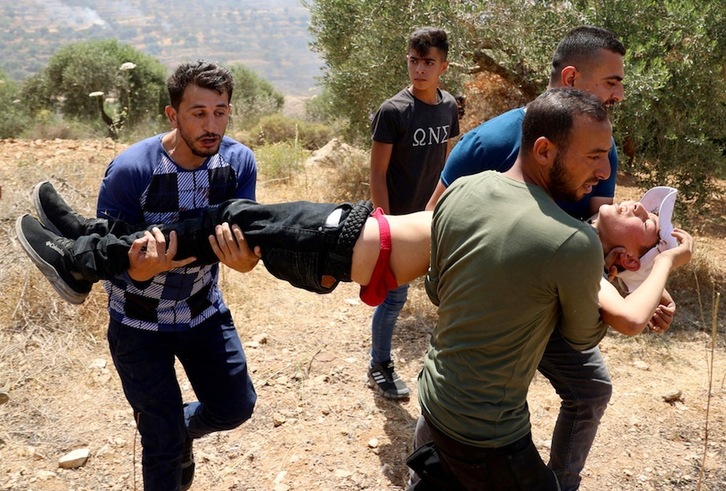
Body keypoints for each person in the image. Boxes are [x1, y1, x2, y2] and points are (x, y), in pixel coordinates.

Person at [405, 87, 691, 490]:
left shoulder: (462, 190)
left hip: (434, 399)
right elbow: (583, 335)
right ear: (544, 150)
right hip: (486, 435)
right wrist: (659, 262)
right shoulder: (571, 242)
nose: (606, 173)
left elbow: (437, 290)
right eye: (594, 156)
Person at [17, 183, 691, 341]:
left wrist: (665, 263)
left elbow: (627, 314)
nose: (635, 199)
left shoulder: (576, 252)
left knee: (234, 217)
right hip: (350, 239)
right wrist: (648, 263)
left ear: (628, 249)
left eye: (644, 217)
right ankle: (100, 239)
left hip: (350, 242)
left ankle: (88, 256)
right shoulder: (569, 227)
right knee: (228, 215)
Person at [424, 26, 647, 490]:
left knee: (590, 390)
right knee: (477, 409)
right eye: (611, 82)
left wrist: (638, 282)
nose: (620, 94)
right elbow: (434, 222)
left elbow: (592, 232)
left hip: (559, 293)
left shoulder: (598, 147)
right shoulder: (486, 144)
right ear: (571, 77)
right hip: (499, 309)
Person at [67, 60, 259, 491]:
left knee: (236, 407)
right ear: (172, 115)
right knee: (161, 447)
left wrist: (244, 262)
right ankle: (170, 435)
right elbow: (110, 255)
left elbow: (245, 239)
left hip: (203, 312)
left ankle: (181, 427)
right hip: (138, 323)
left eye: (221, 111)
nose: (212, 124)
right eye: (199, 113)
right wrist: (139, 268)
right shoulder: (131, 170)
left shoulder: (239, 162)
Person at [367, 26, 460, 400]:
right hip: (400, 223)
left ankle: (443, 370)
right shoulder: (393, 111)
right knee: (394, 298)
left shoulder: (449, 105)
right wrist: (385, 224)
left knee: (451, 293)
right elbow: (376, 171)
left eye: (428, 62)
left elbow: (449, 160)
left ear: (443, 66)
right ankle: (379, 365)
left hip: (437, 218)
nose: (419, 70)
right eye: (414, 61)